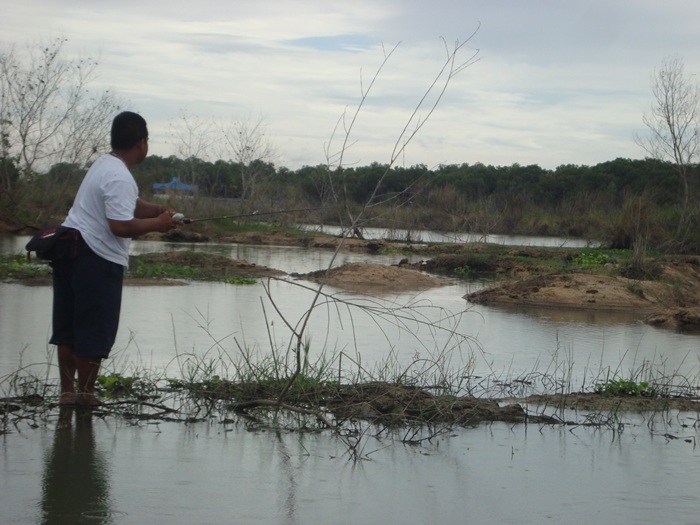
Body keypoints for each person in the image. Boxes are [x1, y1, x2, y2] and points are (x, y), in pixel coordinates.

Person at [50, 111, 181, 406]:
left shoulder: (104, 165)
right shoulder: (120, 175)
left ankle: (67, 393)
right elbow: (120, 227)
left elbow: (130, 205)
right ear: (142, 144)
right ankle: (86, 396)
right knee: (93, 330)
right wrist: (159, 225)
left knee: (69, 328)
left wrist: (158, 211)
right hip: (95, 258)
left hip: (69, 251)